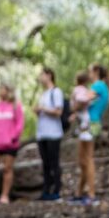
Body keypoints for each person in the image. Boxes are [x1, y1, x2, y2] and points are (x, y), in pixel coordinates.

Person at [71, 63, 109, 207]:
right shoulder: (101, 87)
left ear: (96, 71)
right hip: (90, 122)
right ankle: (79, 193)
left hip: (91, 122)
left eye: (90, 71)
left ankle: (92, 194)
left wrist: (73, 105)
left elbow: (82, 101)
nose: (88, 74)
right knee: (82, 159)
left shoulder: (98, 86)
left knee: (88, 158)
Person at [33, 67, 64, 201]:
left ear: (49, 75)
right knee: (45, 163)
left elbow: (58, 112)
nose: (40, 78)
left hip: (53, 134)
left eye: (42, 75)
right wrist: (38, 111)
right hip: (42, 133)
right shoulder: (44, 94)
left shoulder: (56, 92)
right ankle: (46, 190)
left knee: (53, 162)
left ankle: (56, 190)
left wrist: (43, 108)